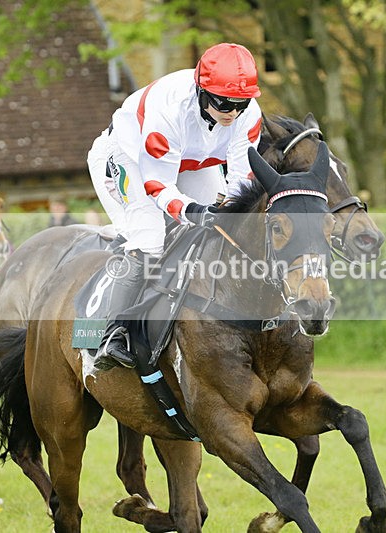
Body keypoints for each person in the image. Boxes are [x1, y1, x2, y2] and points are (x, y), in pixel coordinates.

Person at [88, 42, 263, 370]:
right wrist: (196, 211)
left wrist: (226, 212)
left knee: (223, 231)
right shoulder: (169, 110)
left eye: (241, 103)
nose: (233, 112)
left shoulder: (248, 114)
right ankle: (111, 332)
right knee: (150, 237)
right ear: (201, 91)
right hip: (130, 157)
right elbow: (158, 186)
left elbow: (241, 181)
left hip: (192, 163)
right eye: (224, 103)